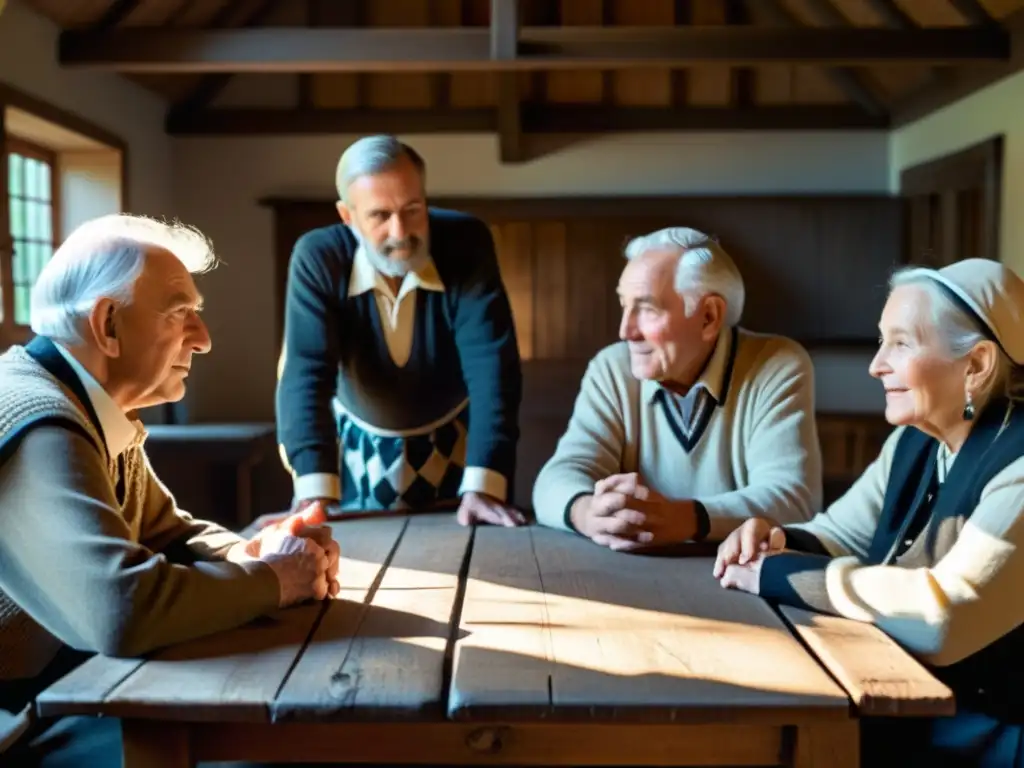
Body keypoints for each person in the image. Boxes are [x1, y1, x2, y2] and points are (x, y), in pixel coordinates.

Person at [0, 213, 341, 767]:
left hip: (62, 692)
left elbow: (169, 534)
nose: (203, 340)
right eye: (181, 314)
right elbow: (120, 610)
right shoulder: (39, 420)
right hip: (20, 726)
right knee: (268, 750)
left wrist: (258, 550)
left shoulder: (93, 409)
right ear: (107, 324)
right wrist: (274, 581)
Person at [715, 258, 1024, 766]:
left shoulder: (1018, 457)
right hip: (908, 711)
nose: (876, 364)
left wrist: (778, 575)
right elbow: (839, 534)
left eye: (900, 343)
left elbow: (943, 617)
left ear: (977, 364)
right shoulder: (914, 440)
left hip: (992, 739)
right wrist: (774, 540)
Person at [275, 135, 525, 527]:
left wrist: (485, 483)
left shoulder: (466, 242)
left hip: (461, 445)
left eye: (413, 209)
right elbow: (306, 372)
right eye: (379, 215)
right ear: (348, 216)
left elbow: (493, 365)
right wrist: (313, 493)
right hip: (355, 448)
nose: (400, 232)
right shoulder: (317, 256)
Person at [532, 226, 821, 549]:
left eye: (647, 309)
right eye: (624, 305)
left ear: (709, 317)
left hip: (738, 578)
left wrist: (683, 519)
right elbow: (557, 477)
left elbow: (794, 500)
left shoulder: (777, 365)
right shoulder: (611, 368)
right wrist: (587, 512)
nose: (626, 330)